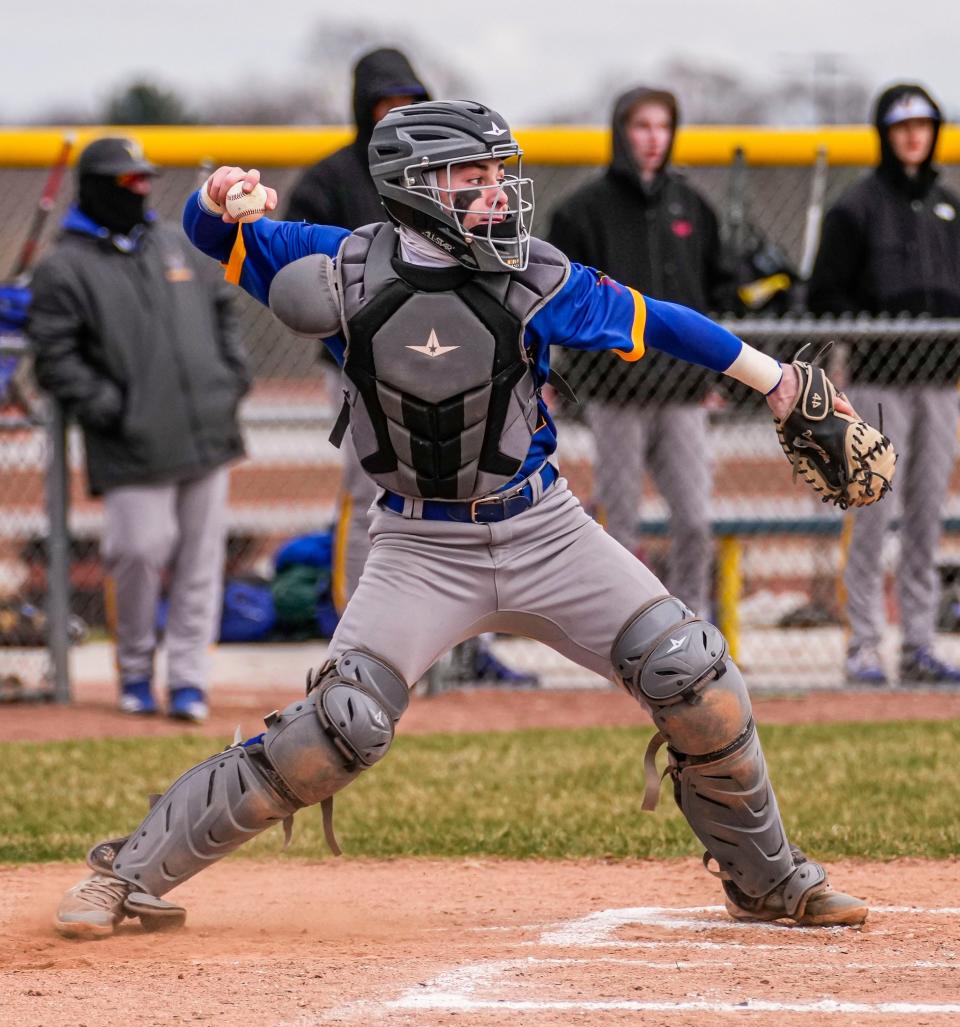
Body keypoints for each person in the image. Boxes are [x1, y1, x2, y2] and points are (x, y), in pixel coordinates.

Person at [54, 101, 867, 939]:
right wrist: (218, 195)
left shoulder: (532, 274)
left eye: (497, 178)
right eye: (473, 180)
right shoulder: (338, 267)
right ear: (415, 188)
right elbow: (212, 232)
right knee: (335, 729)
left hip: (545, 530)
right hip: (417, 546)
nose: (496, 196)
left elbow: (660, 321)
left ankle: (766, 879)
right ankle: (125, 877)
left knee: (694, 676)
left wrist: (773, 381)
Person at [286, 49, 535, 685]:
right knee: (372, 487)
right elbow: (313, 277)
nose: (394, 113)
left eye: (406, 100)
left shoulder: (445, 169)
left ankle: (460, 648)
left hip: (461, 351)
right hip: (360, 366)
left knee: (464, 483)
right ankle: (359, 635)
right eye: (382, 103)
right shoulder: (330, 178)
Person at [29, 137, 249, 722]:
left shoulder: (174, 243)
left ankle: (187, 681)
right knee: (137, 552)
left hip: (205, 429)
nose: (141, 189)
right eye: (128, 181)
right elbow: (54, 355)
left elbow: (224, 311)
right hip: (130, 442)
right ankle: (133, 671)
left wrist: (229, 381)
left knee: (202, 562)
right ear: (100, 187)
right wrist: (113, 409)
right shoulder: (63, 264)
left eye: (145, 178)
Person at [548, 87, 737, 615]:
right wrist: (586, 378)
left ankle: (696, 628)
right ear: (620, 131)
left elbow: (717, 293)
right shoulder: (582, 211)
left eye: (663, 127)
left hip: (683, 394)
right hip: (617, 395)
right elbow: (563, 303)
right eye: (642, 127)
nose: (654, 139)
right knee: (619, 524)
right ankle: (623, 627)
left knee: (695, 519)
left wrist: (715, 376)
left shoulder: (692, 206)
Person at [808, 83, 960, 686]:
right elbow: (824, 297)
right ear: (885, 135)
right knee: (874, 513)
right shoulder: (857, 208)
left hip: (942, 383)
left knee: (926, 517)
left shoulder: (950, 208)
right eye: (901, 127)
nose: (913, 136)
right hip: (881, 382)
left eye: (923, 125)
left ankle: (918, 644)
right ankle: (865, 645)